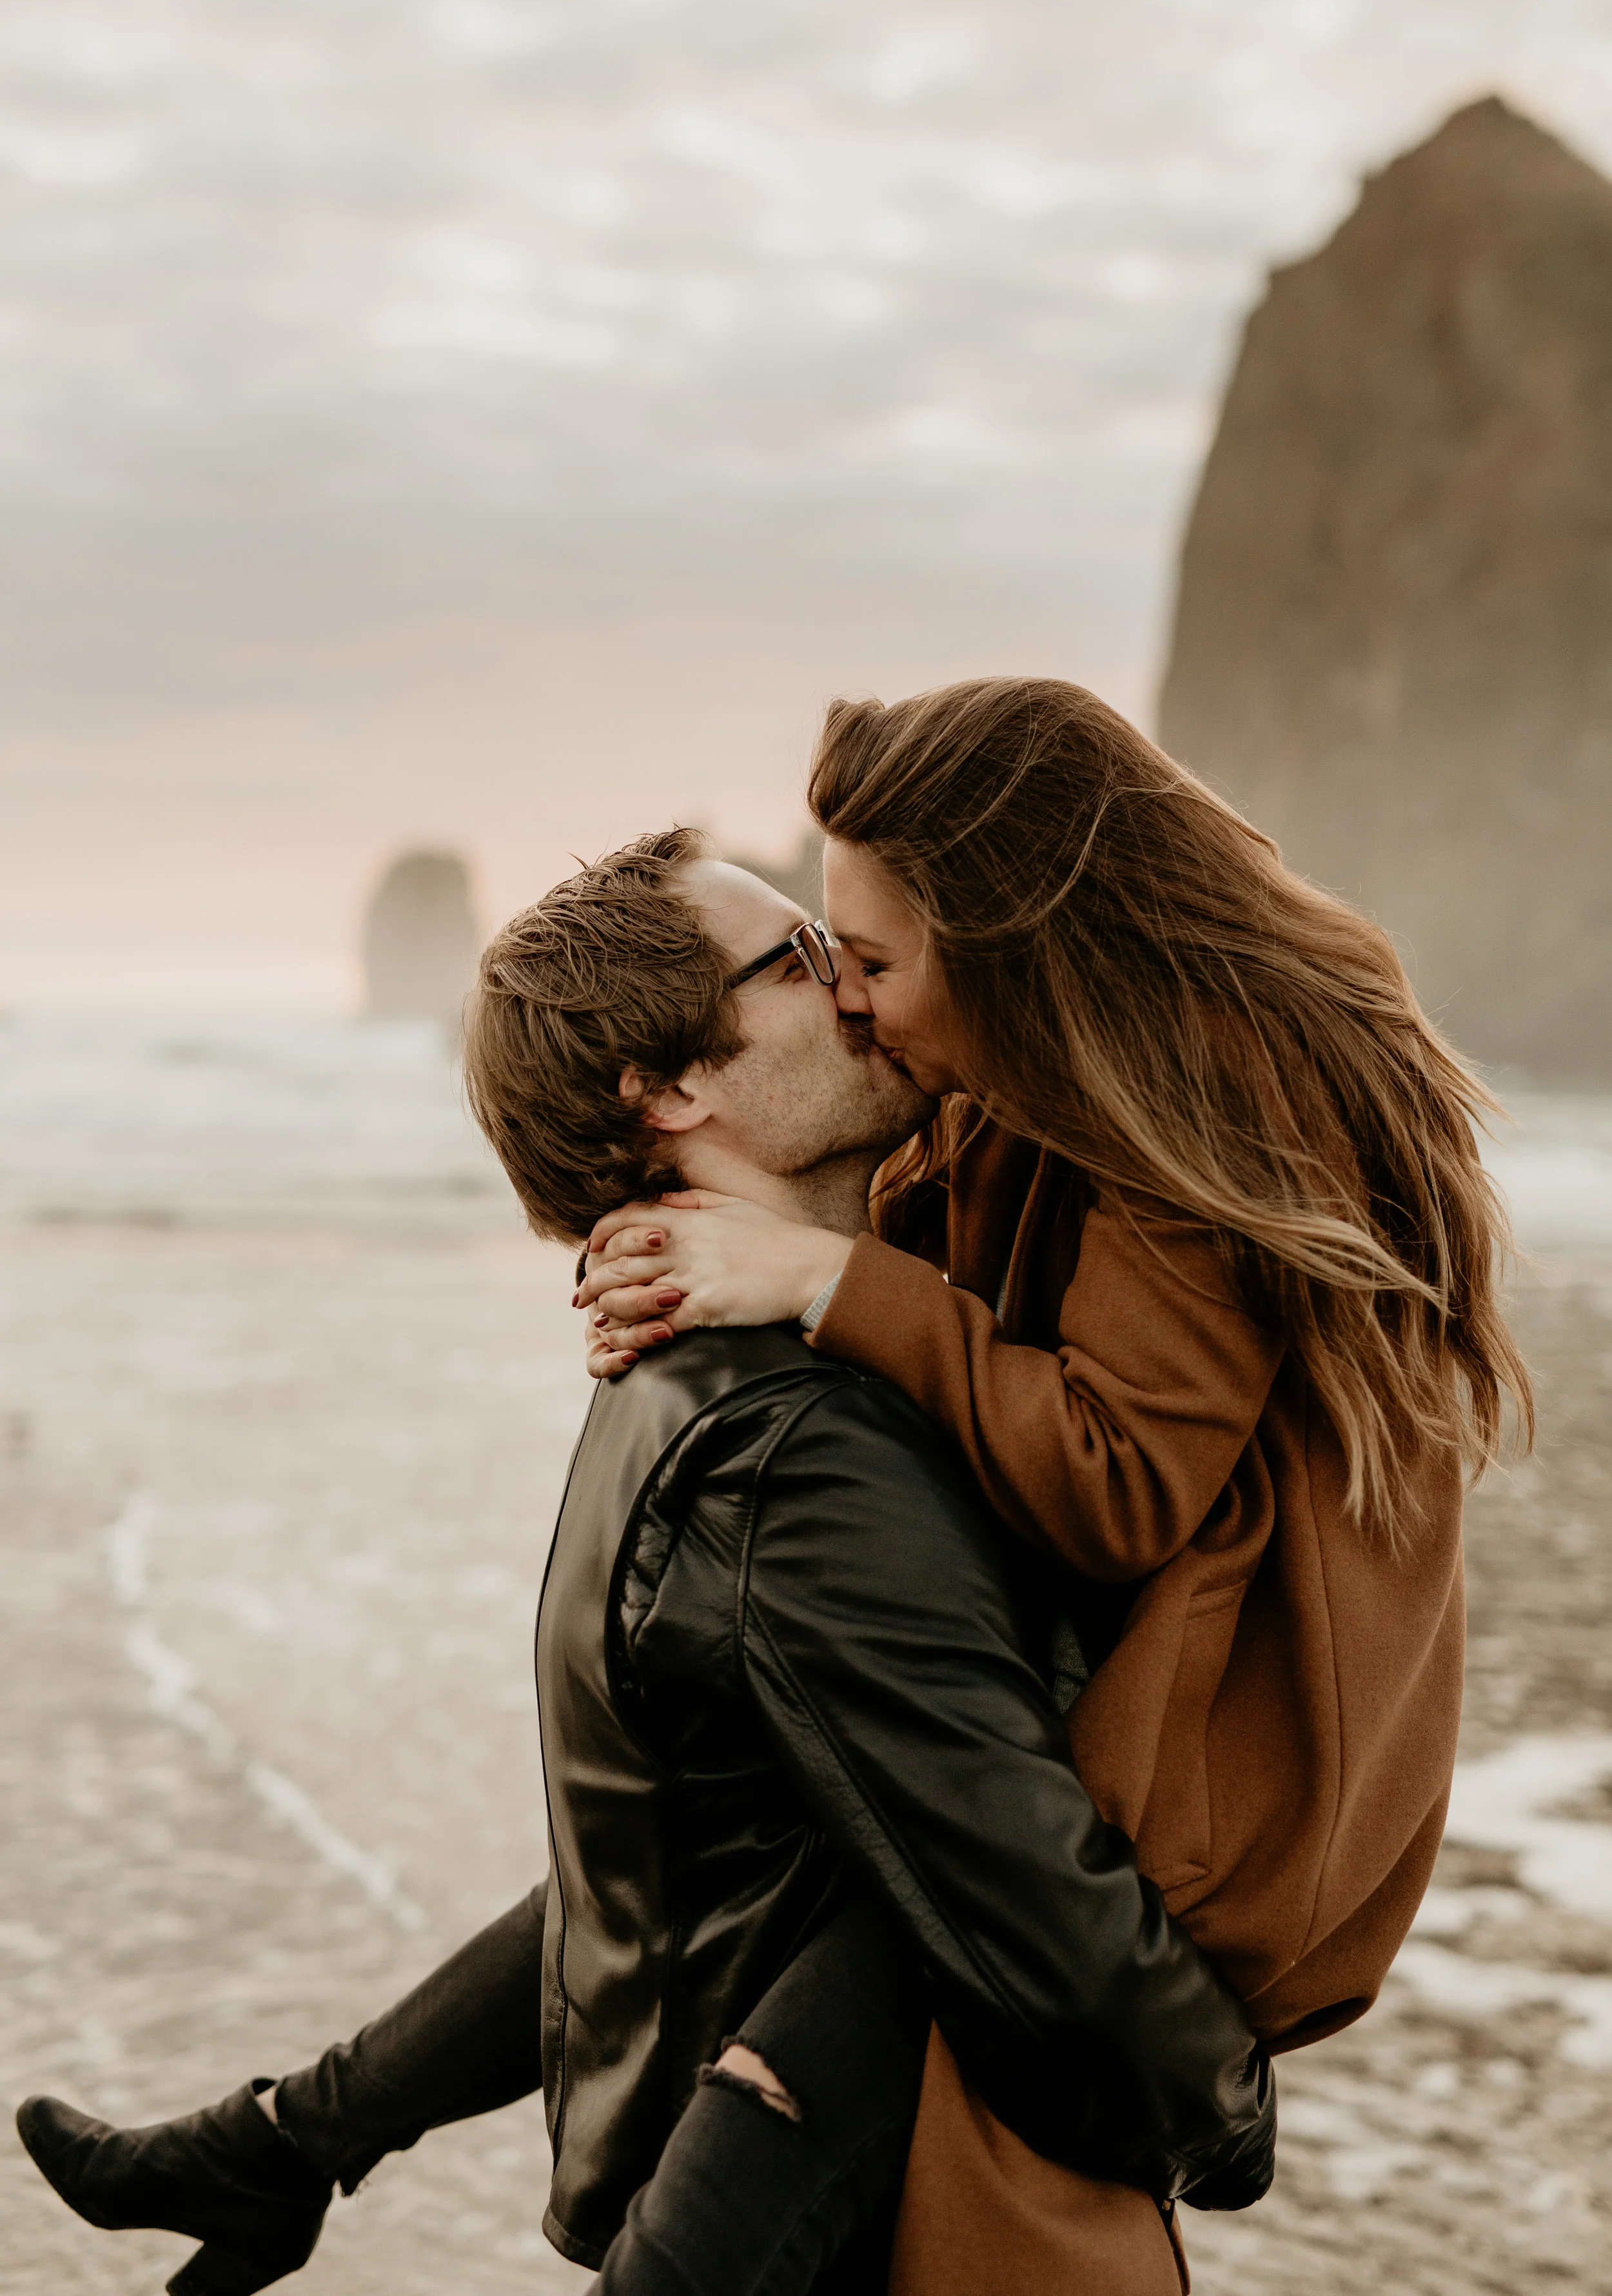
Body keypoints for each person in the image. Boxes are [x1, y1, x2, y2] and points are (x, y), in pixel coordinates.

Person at [17, 828, 1273, 2296]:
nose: (857, 986)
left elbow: (660, 1856)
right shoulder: (792, 1451)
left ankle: (265, 2149)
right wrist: (1221, 2113)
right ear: (673, 1086)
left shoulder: (672, 1375)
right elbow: (1036, 1907)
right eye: (802, 959)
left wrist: (308, 2125)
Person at [579, 674, 1533, 2293]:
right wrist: (707, 1259)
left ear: (1016, 937)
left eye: (872, 962)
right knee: (699, 1906)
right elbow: (950, 1286)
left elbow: (1114, 1486)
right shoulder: (1035, 1085)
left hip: (1217, 1797)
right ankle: (296, 2136)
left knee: (767, 2136)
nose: (858, 1006)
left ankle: (299, 2138)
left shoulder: (1208, 1089)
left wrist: (813, 1282)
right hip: (1115, 1721)